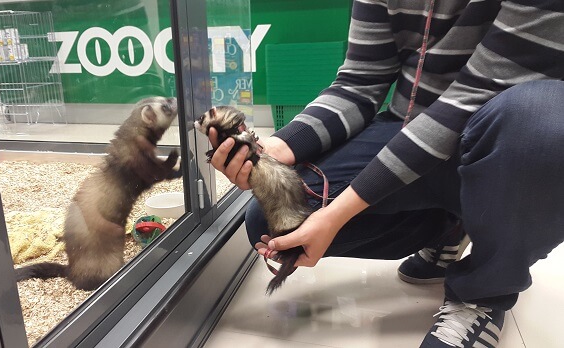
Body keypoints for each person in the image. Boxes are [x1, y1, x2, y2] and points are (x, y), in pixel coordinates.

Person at [209, 1, 564, 347]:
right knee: (276, 222)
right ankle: (450, 225)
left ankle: (484, 292)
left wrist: (337, 213)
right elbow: (359, 83)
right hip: (408, 122)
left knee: (545, 125)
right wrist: (279, 151)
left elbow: (471, 98)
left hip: (505, 135)